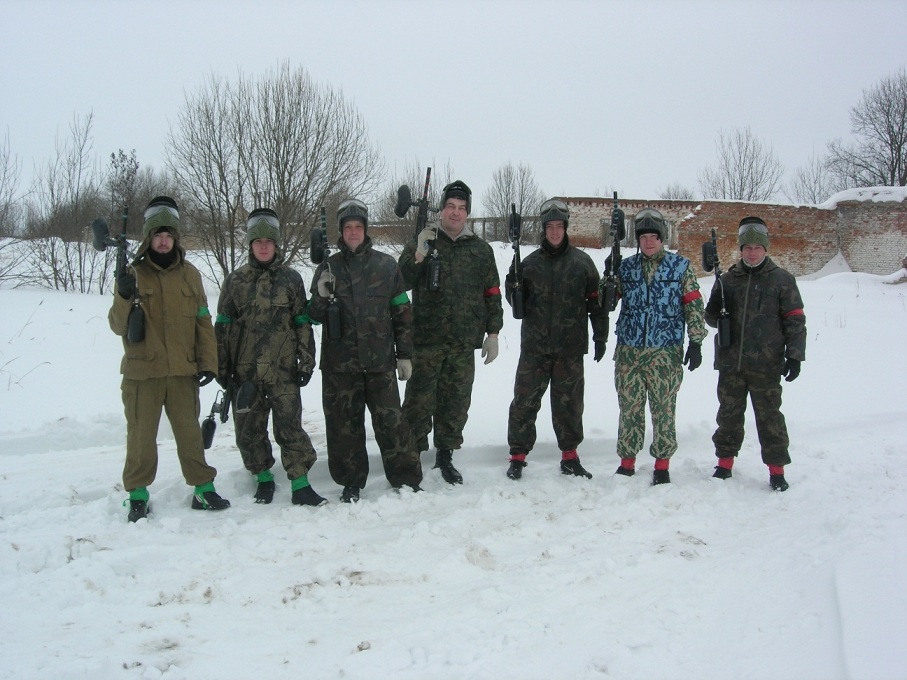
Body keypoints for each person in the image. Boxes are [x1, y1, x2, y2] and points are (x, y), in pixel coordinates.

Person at [109, 195, 230, 521]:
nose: (163, 241)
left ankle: (203, 489)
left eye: (168, 235)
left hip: (182, 370)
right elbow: (118, 324)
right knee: (141, 438)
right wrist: (122, 294)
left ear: (175, 238)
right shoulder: (132, 274)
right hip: (142, 374)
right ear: (149, 238)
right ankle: (137, 494)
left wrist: (208, 362)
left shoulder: (190, 275)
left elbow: (203, 321)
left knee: (190, 435)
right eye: (157, 236)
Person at [307, 199, 423, 502]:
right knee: (344, 427)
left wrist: (405, 355)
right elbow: (312, 317)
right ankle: (351, 481)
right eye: (348, 228)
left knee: (392, 423)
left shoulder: (386, 266)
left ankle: (405, 476)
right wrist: (321, 295)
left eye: (359, 227)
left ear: (365, 230)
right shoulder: (327, 267)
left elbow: (402, 313)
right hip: (339, 366)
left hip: (379, 363)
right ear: (341, 232)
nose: (354, 232)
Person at [215, 208, 326, 506]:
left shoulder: (290, 279)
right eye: (258, 241)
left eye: (269, 241)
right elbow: (223, 326)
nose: (263, 246)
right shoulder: (235, 281)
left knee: (290, 427)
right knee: (249, 430)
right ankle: (263, 478)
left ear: (276, 244)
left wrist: (307, 360)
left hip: (283, 369)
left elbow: (302, 322)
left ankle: (300, 485)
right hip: (245, 372)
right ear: (250, 244)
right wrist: (221, 367)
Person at [398, 180, 504, 484]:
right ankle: (412, 459)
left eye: (461, 209)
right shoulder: (426, 240)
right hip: (426, 342)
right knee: (418, 404)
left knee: (455, 403)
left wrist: (493, 333)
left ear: (467, 213)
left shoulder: (480, 250)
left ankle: (445, 457)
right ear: (442, 209)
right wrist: (419, 253)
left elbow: (492, 292)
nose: (455, 213)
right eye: (450, 207)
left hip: (461, 344)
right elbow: (401, 281)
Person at [504, 199, 608, 480]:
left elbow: (595, 302)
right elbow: (517, 303)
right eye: (549, 227)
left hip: (569, 349)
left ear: (565, 228)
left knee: (570, 405)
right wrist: (511, 283)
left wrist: (600, 335)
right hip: (535, 349)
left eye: (559, 226)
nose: (554, 232)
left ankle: (570, 457)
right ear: (543, 229)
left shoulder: (582, 263)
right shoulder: (529, 264)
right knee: (524, 403)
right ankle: (517, 456)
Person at [705, 216, 806, 491]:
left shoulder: (781, 280)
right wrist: (715, 308)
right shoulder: (727, 279)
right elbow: (711, 319)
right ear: (740, 249)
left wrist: (795, 355)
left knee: (770, 418)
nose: (751, 252)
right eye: (747, 247)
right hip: (731, 364)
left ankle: (776, 470)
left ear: (765, 249)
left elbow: (795, 320)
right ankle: (724, 463)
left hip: (767, 365)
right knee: (728, 416)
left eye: (757, 248)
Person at [610, 207, 707, 484]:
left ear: (662, 238)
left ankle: (662, 464)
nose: (649, 242)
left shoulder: (680, 267)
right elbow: (608, 301)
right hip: (630, 352)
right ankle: (627, 461)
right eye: (644, 237)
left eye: (654, 236)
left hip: (665, 352)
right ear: (638, 240)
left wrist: (696, 341)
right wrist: (607, 278)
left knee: (663, 408)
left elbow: (693, 305)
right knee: (629, 408)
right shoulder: (626, 268)